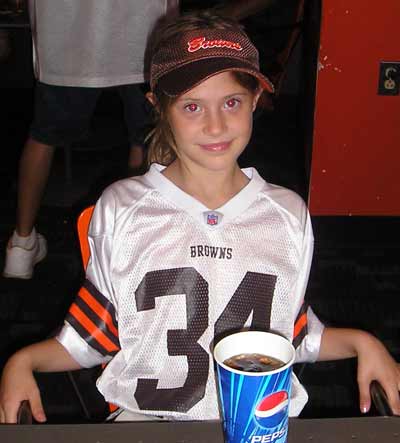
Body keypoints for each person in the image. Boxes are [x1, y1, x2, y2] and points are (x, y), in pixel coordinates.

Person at [1, 10, 399, 424]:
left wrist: (361, 342)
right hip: (144, 424)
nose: (215, 125)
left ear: (255, 100)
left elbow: (288, 331)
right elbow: (96, 333)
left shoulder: (287, 214)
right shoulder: (123, 209)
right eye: (192, 106)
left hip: (254, 424)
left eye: (231, 102)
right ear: (159, 107)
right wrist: (23, 361)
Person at [3, 0, 178, 280]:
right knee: (144, 137)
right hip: (142, 27)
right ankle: (137, 239)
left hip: (64, 33)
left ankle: (21, 245)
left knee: (43, 136)